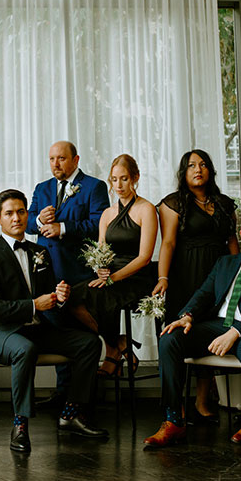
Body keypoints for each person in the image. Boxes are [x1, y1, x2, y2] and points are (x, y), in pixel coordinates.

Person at [144, 208, 241, 447]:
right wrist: (188, 316)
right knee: (170, 338)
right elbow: (204, 293)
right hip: (218, 325)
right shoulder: (225, 262)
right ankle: (173, 421)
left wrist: (236, 332)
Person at [0, 189, 108, 452]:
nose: (16, 218)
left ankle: (70, 414)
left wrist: (59, 297)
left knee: (90, 343)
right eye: (9, 213)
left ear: (28, 214)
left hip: (35, 330)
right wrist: (33, 305)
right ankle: (20, 425)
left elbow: (49, 300)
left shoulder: (40, 252)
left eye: (21, 212)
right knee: (25, 349)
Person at [153, 149, 239, 422]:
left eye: (203, 164)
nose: (197, 169)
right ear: (184, 172)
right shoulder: (173, 203)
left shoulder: (225, 203)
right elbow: (167, 243)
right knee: (177, 338)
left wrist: (240, 276)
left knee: (209, 333)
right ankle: (174, 406)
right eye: (191, 165)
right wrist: (162, 278)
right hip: (185, 274)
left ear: (211, 170)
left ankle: (203, 400)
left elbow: (232, 243)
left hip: (219, 274)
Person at [26, 141, 109, 406]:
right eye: (51, 159)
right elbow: (26, 222)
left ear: (75, 159)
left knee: (79, 331)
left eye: (61, 158)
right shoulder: (42, 188)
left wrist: (63, 228)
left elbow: (99, 223)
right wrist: (39, 220)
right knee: (55, 325)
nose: (55, 164)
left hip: (78, 271)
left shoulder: (94, 187)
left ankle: (83, 397)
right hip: (46, 273)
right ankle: (62, 392)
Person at [67, 154, 157, 377]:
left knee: (103, 295)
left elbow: (145, 257)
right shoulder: (107, 214)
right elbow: (101, 253)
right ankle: (120, 342)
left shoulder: (146, 209)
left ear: (135, 177)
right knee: (71, 299)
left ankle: (111, 355)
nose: (118, 185)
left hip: (137, 276)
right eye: (114, 180)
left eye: (124, 179)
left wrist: (113, 278)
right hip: (110, 276)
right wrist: (100, 270)